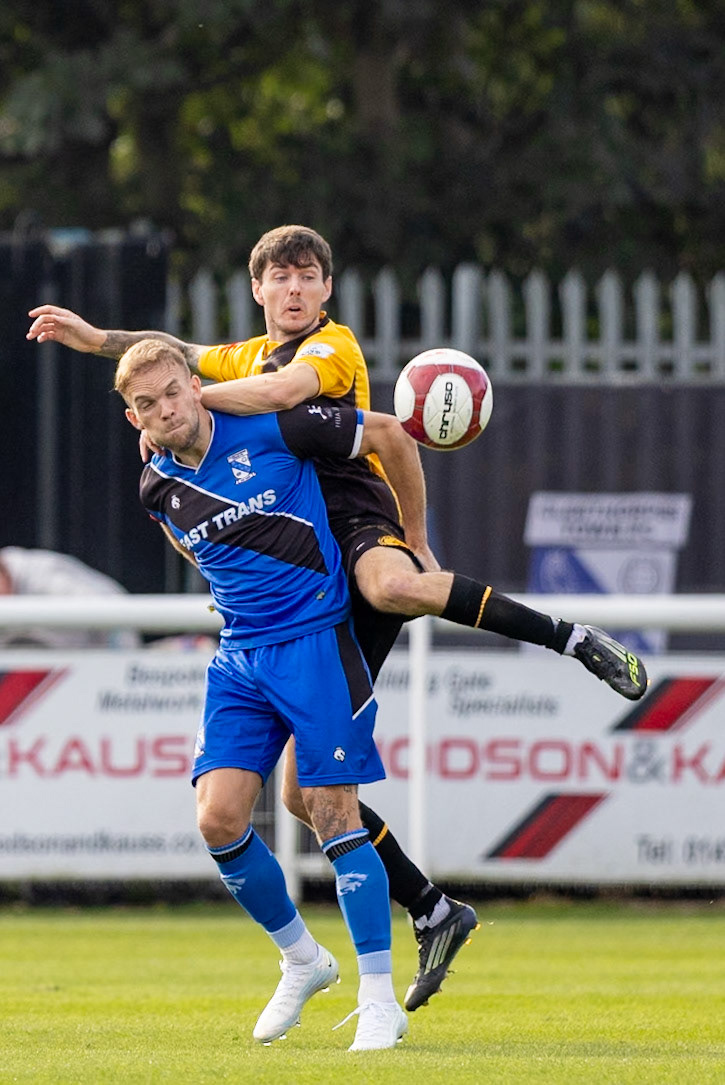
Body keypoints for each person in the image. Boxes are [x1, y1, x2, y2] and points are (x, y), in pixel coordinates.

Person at [27, 224, 648, 1011]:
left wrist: (414, 535)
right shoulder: (240, 357)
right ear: (257, 289)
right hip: (299, 564)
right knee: (303, 798)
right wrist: (98, 343)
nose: (293, 289)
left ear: (325, 288)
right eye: (279, 277)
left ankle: (573, 638)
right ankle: (432, 908)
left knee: (390, 585)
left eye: (306, 276)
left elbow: (281, 396)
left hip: (352, 517)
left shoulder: (332, 347)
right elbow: (172, 352)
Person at [113, 338, 431, 1049]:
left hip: (315, 640)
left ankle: (379, 998)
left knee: (332, 811)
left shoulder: (272, 425)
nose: (165, 409)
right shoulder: (154, 485)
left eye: (172, 391)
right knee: (218, 819)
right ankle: (302, 959)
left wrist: (413, 541)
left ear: (193, 385)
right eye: (147, 404)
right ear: (135, 418)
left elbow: (387, 434)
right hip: (239, 657)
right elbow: (191, 545)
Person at [0, 546, 139, 650]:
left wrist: (122, 666)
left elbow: (113, 616)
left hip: (100, 653)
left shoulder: (52, 579)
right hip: (46, 669)